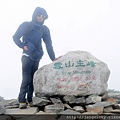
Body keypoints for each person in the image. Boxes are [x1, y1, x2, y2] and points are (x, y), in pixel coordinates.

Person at [13, 7, 56, 109]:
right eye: (39, 15)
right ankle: (22, 100)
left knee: (33, 78)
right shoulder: (27, 25)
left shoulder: (44, 29)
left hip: (37, 56)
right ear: (35, 15)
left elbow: (48, 44)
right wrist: (23, 46)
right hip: (27, 55)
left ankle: (30, 100)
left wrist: (53, 58)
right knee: (26, 78)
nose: (41, 18)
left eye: (43, 16)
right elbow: (15, 37)